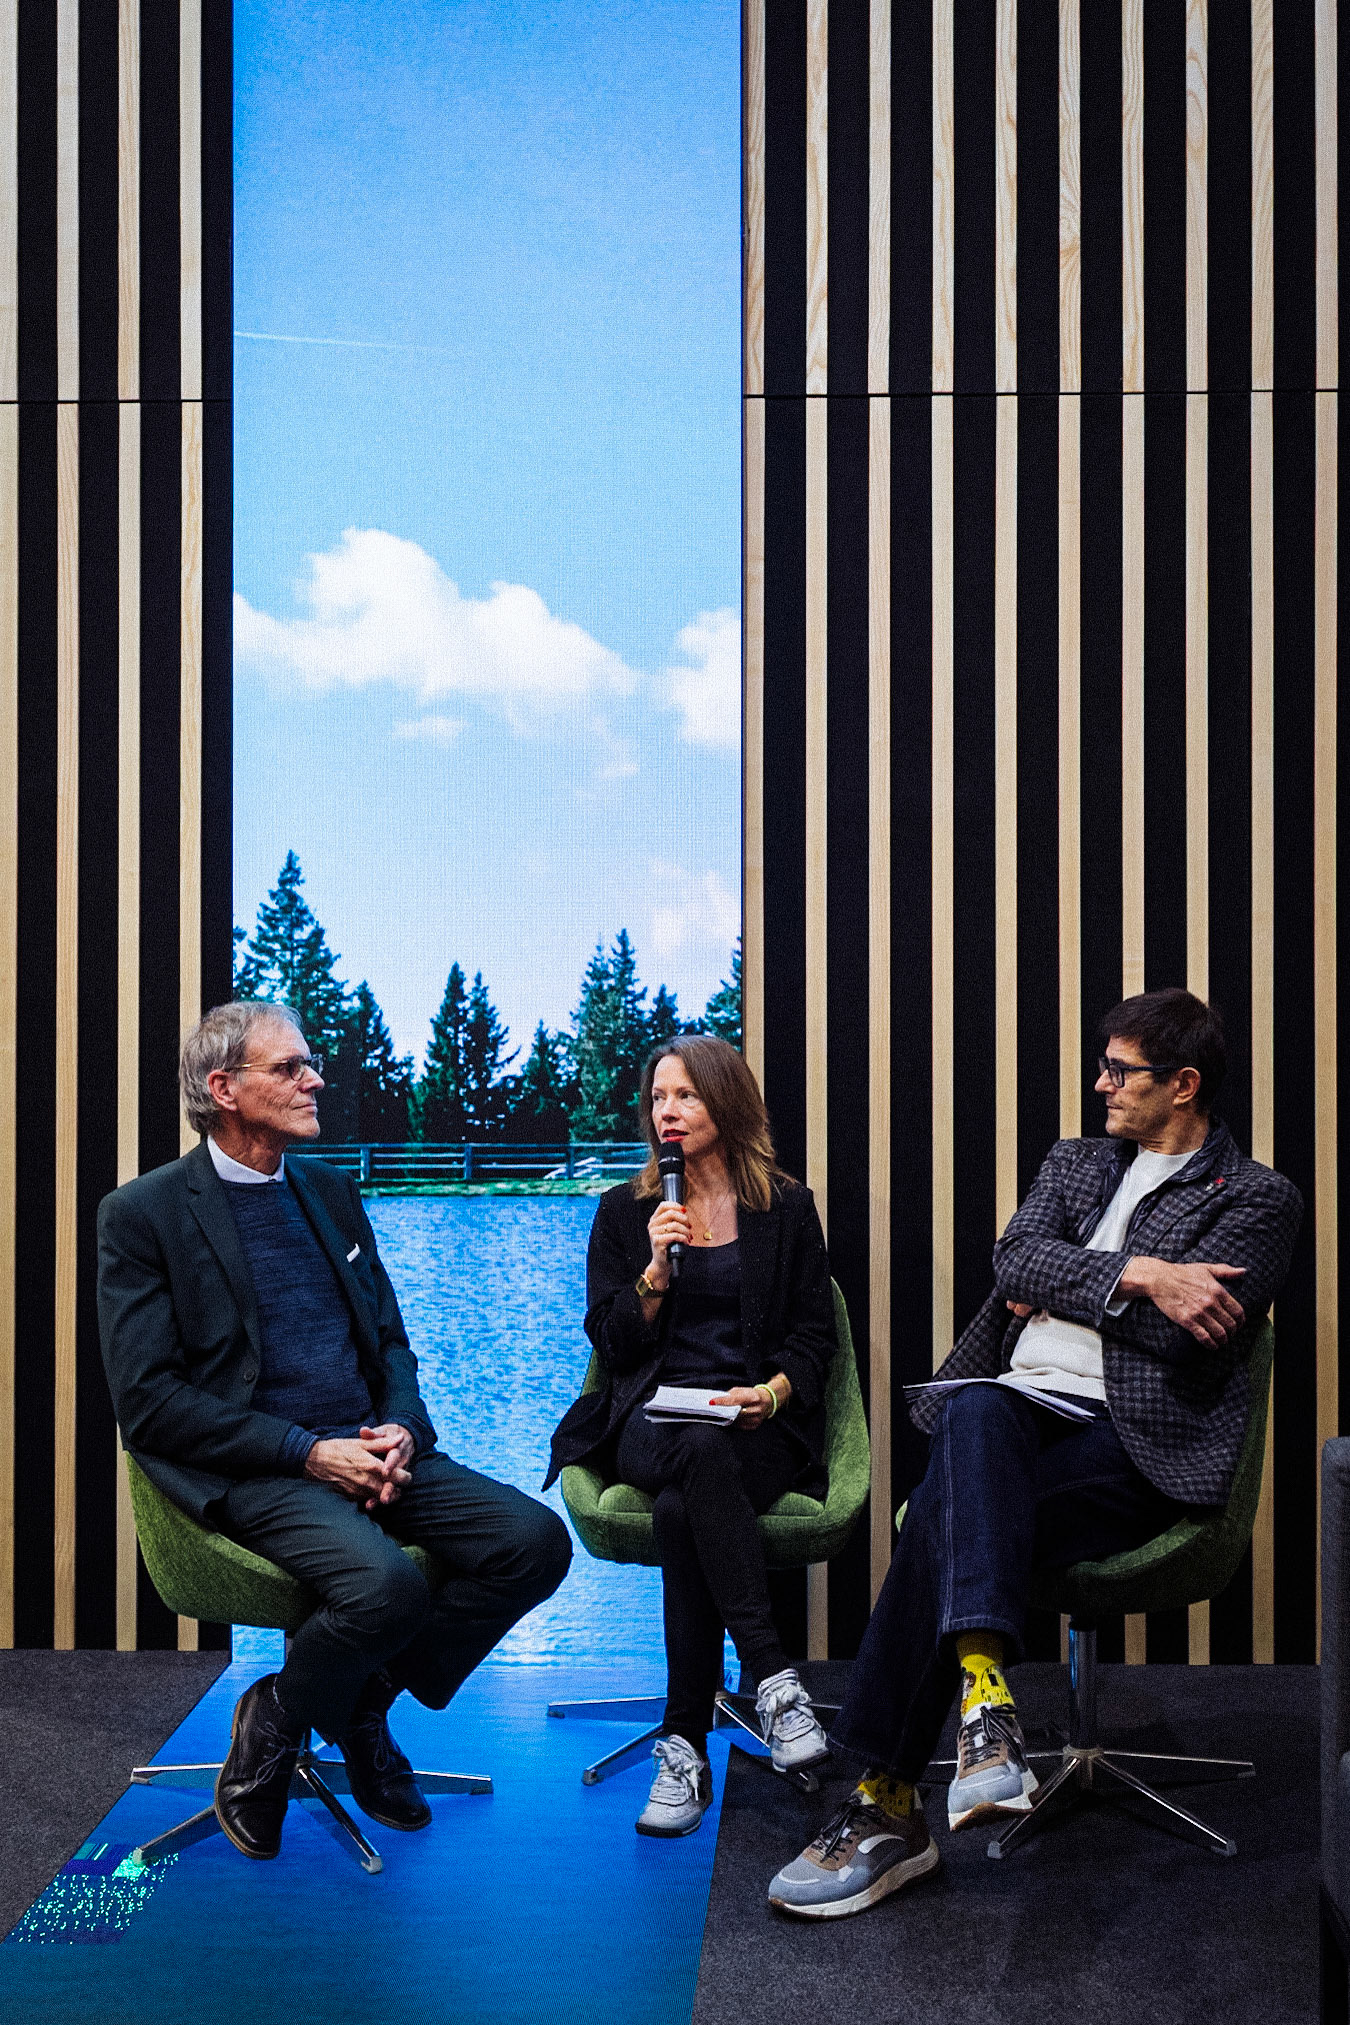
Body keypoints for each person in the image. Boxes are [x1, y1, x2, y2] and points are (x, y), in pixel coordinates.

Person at [768, 989, 1302, 1918]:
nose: (1101, 1085)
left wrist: (1071, 1285)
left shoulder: (1259, 1196)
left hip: (1134, 1444)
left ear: (1184, 1084)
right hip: (1016, 1414)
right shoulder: (1077, 1161)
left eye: (1120, 1071)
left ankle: (889, 1800)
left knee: (944, 1510)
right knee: (979, 1407)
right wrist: (1145, 1274)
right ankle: (983, 1704)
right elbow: (1013, 1260)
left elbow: (1189, 1340)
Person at [98, 1000, 572, 1864]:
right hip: (258, 1467)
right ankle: (281, 1725)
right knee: (388, 1587)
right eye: (290, 1068)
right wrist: (309, 1452)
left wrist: (403, 1428)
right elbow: (150, 1402)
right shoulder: (143, 1213)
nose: (314, 1079)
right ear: (223, 1088)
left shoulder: (330, 1190)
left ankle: (341, 1703)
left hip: (369, 1444)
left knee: (534, 1543)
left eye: (309, 1063)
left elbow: (390, 1341)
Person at [547, 1035, 838, 1838]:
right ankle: (774, 1678)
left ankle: (683, 1746)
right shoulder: (624, 1210)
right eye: (657, 1098)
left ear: (726, 1103)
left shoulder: (786, 1207)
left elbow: (814, 1338)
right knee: (693, 1450)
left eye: (686, 1095)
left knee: (684, 1507)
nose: (666, 1112)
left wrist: (769, 1395)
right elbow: (611, 1344)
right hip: (650, 1420)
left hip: (753, 1424)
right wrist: (653, 1274)